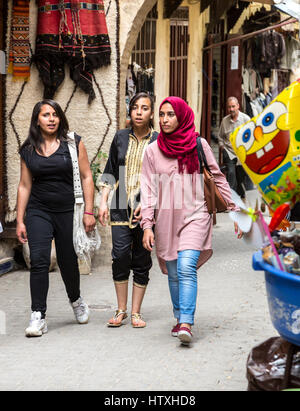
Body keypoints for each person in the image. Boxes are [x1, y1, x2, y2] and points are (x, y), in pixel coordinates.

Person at [141, 97, 239, 345]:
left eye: (170, 114)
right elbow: (148, 190)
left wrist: (235, 210)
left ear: (182, 116)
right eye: (162, 115)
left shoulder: (199, 144)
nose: (164, 120)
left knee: (185, 267)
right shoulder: (152, 151)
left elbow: (217, 177)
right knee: (173, 273)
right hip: (166, 219)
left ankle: (186, 321)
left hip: (196, 214)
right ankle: (178, 316)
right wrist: (147, 225)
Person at [17, 99, 95, 337]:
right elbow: (24, 185)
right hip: (38, 210)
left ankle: (76, 299)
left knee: (68, 261)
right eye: (45, 115)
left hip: (68, 211)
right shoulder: (28, 148)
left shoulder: (73, 143)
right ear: (37, 120)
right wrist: (20, 219)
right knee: (39, 261)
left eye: (55, 114)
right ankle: (38, 315)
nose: (51, 119)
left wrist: (89, 211)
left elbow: (87, 176)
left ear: (60, 118)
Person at [99, 92, 158, 328]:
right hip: (120, 204)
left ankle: (136, 312)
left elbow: (163, 177)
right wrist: (103, 201)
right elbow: (110, 169)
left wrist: (147, 204)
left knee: (142, 258)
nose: (139, 112)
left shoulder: (158, 141)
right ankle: (121, 309)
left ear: (151, 113)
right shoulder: (120, 137)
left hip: (147, 205)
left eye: (144, 108)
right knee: (120, 256)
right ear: (130, 111)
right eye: (135, 107)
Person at [218, 97, 251, 199]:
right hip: (229, 151)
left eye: (233, 106)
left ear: (238, 106)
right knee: (231, 173)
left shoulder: (246, 119)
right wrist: (222, 147)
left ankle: (241, 194)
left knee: (240, 176)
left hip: (242, 152)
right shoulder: (224, 121)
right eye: (229, 107)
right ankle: (230, 198)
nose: (231, 109)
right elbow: (220, 136)